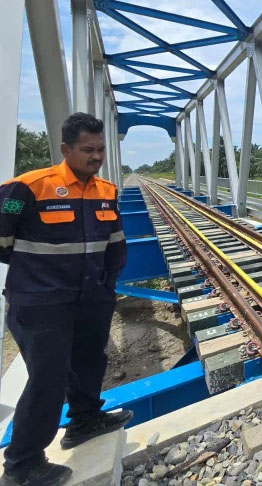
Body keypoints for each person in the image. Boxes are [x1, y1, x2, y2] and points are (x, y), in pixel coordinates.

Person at [0, 113, 132, 486]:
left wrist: (107, 284)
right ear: (65, 149)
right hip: (43, 302)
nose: (96, 157)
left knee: (90, 360)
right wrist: (39, 275)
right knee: (48, 377)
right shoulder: (28, 188)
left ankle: (85, 421)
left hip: (92, 296)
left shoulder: (106, 190)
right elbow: (3, 240)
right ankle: (22, 464)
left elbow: (115, 243)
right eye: (87, 150)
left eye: (101, 149)